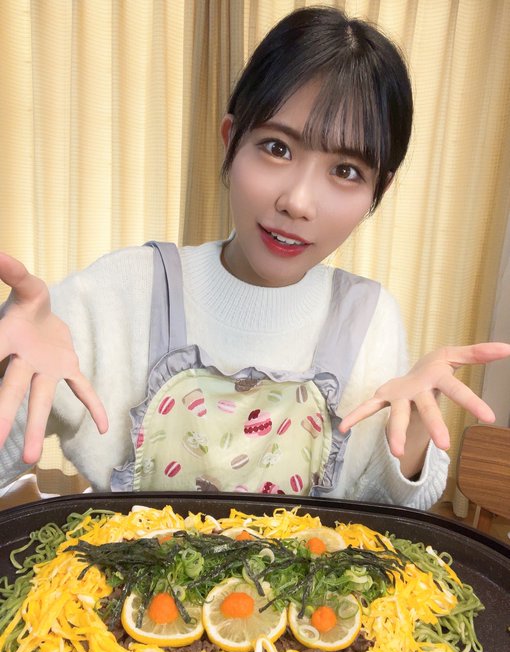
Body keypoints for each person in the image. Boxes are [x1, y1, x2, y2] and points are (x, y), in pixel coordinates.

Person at [0, 6, 508, 509]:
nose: (298, 202)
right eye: (277, 148)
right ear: (231, 142)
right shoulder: (118, 293)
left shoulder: (370, 320)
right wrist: (6, 371)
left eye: (346, 171)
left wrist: (416, 430)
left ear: (380, 189)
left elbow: (376, 519)